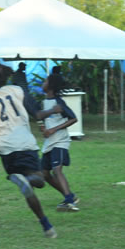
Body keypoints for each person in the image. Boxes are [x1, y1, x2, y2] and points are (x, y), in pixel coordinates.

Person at [0, 64, 59, 238]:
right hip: (23, 142)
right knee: (39, 180)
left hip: (4, 148)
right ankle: (28, 179)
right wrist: (53, 110)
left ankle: (46, 226)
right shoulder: (18, 91)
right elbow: (37, 114)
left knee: (27, 189)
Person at [39, 71, 79, 212]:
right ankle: (69, 196)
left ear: (50, 86)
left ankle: (69, 201)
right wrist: (43, 128)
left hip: (60, 142)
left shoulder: (59, 102)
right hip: (49, 143)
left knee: (57, 170)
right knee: (44, 174)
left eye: (45, 81)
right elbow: (41, 119)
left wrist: (54, 129)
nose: (42, 83)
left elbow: (73, 118)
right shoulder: (44, 101)